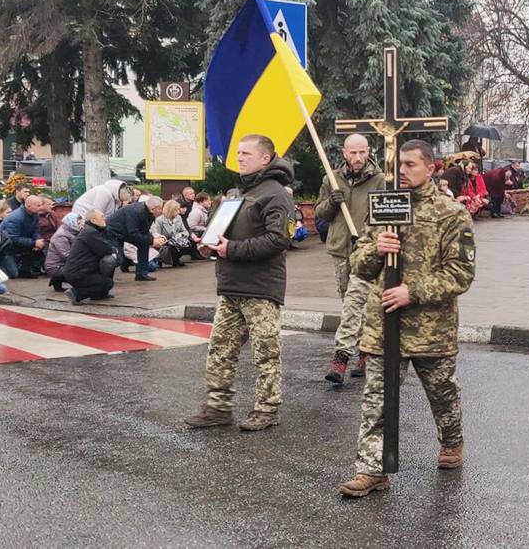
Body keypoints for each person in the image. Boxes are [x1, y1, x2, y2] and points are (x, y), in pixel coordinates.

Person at [339, 139, 476, 498]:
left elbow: (461, 273)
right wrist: (377, 250)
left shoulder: (451, 213)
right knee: (376, 400)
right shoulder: (384, 206)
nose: (402, 170)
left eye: (411, 165)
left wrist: (412, 291)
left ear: (431, 168)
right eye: (399, 164)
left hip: (431, 329)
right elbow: (359, 263)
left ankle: (452, 441)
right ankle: (372, 469)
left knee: (442, 393)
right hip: (385, 326)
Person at [185, 134, 295, 432]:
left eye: (246, 153)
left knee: (266, 352)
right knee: (220, 348)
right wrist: (207, 243)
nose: (239, 157)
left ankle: (267, 408)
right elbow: (220, 231)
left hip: (261, 288)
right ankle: (218, 407)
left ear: (265, 158)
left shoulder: (277, 194)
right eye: (238, 152)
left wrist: (230, 249)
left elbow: (278, 239)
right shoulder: (236, 192)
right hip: (230, 285)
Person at [314, 133, 385, 384]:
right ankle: (366, 349)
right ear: (344, 153)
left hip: (364, 250)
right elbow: (320, 213)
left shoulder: (378, 180)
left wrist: (368, 238)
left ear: (369, 152)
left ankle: (342, 357)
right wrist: (332, 203)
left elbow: (382, 216)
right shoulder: (331, 179)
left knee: (355, 302)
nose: (357, 157)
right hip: (340, 248)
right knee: (349, 301)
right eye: (353, 153)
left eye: (362, 152)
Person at [64, 210, 118, 304]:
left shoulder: (91, 230)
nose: (104, 218)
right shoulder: (90, 232)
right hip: (79, 273)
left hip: (82, 270)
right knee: (107, 282)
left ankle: (99, 295)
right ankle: (76, 293)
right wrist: (114, 250)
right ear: (93, 220)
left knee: (106, 276)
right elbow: (106, 249)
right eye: (102, 217)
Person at [107, 196, 166, 282]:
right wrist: (152, 241)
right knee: (117, 258)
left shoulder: (150, 213)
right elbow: (133, 233)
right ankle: (106, 279)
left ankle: (141, 274)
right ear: (153, 209)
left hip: (125, 232)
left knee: (144, 244)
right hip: (113, 232)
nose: (162, 211)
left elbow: (144, 231)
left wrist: (154, 239)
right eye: (160, 209)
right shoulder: (135, 212)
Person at [0, 196, 46, 278]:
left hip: (21, 244)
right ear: (29, 206)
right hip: (7, 249)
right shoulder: (15, 218)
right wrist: (33, 243)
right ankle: (1, 265)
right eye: (38, 206)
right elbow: (13, 238)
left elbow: (36, 230)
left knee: (44, 248)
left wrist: (37, 240)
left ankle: (26, 268)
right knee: (13, 274)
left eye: (41, 205)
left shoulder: (34, 215)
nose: (41, 208)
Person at [45, 212, 82, 292]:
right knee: (83, 272)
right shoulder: (61, 236)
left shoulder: (71, 231)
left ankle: (58, 280)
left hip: (62, 264)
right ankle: (58, 278)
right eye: (78, 223)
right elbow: (66, 255)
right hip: (56, 267)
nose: (81, 225)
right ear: (72, 222)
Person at [152, 200, 195, 268]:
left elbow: (185, 231)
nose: (178, 212)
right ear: (170, 210)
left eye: (178, 210)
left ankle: (176, 259)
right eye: (176, 210)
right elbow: (157, 235)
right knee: (173, 247)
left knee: (189, 244)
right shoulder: (159, 220)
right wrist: (169, 240)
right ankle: (165, 259)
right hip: (165, 244)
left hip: (178, 241)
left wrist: (179, 235)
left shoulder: (179, 218)